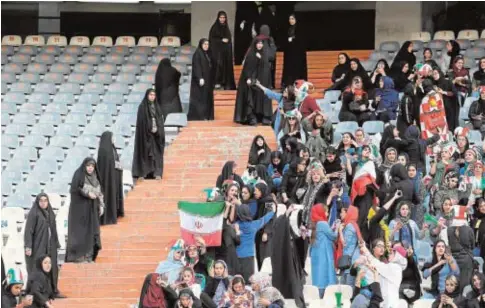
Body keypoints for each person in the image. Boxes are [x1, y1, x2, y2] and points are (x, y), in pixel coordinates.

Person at [24, 193, 63, 298]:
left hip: (51, 246)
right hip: (39, 245)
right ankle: (36, 291)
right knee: (38, 267)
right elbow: (28, 231)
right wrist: (28, 246)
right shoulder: (34, 213)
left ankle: (53, 291)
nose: (43, 202)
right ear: (37, 202)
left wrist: (57, 243)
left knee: (52, 267)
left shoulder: (51, 213)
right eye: (41, 200)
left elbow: (54, 230)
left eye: (45, 200)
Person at [65, 157, 103, 263]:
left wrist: (101, 205)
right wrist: (86, 194)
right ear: (84, 166)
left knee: (92, 232)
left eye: (92, 166)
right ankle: (79, 257)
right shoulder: (79, 175)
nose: (90, 168)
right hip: (80, 212)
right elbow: (74, 190)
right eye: (88, 166)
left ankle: (89, 257)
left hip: (92, 211)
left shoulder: (96, 178)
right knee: (81, 233)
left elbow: (100, 193)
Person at [233, 39, 273, 126]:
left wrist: (261, 58)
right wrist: (249, 78)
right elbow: (247, 68)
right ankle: (251, 117)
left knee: (262, 97)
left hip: (262, 81)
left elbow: (266, 67)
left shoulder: (264, 54)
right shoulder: (251, 54)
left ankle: (262, 117)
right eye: (258, 43)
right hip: (251, 80)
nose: (260, 45)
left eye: (261, 44)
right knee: (251, 97)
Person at [271, 213, 306, 308]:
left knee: (296, 285)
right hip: (285, 265)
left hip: (293, 262)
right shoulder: (277, 238)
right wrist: (286, 214)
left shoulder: (288, 230)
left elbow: (296, 241)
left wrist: (302, 237)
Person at [358, 242, 408, 308]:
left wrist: (366, 251)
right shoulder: (390, 268)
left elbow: (377, 264)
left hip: (390, 305)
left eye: (391, 253)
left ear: (398, 256)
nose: (388, 255)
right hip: (384, 304)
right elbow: (374, 277)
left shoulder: (395, 268)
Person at [132, 89, 165, 181]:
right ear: (147, 95)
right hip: (145, 136)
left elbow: (160, 121)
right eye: (150, 95)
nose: (152, 97)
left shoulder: (157, 107)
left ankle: (156, 173)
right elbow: (141, 122)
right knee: (144, 153)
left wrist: (158, 130)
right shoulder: (142, 107)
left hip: (155, 136)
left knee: (156, 154)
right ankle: (143, 173)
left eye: (154, 95)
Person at [310, 204, 337, 298]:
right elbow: (333, 236)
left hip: (316, 253)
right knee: (325, 275)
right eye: (326, 211)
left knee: (318, 275)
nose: (327, 213)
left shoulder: (316, 223)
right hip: (324, 253)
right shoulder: (323, 223)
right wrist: (338, 229)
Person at [97, 131, 124, 225]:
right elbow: (106, 165)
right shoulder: (104, 150)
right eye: (112, 137)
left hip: (114, 176)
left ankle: (115, 212)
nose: (113, 139)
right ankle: (108, 216)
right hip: (107, 178)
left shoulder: (112, 148)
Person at [188, 38, 215, 121]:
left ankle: (207, 115)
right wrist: (200, 78)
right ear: (201, 45)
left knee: (207, 98)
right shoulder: (197, 54)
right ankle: (200, 116)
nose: (206, 46)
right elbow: (197, 67)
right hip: (200, 81)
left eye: (207, 44)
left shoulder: (206, 54)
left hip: (207, 80)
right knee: (201, 98)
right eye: (204, 44)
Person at [209, 11, 236, 90]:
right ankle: (216, 82)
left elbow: (229, 40)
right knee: (217, 67)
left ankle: (225, 83)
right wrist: (221, 40)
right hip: (216, 54)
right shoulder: (214, 28)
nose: (222, 19)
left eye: (224, 17)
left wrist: (227, 42)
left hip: (225, 53)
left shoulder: (226, 28)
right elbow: (212, 39)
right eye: (221, 17)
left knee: (225, 67)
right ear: (218, 18)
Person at [281, 14, 307, 88]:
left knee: (297, 68)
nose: (291, 20)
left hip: (298, 53)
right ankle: (288, 83)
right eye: (290, 19)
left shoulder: (300, 28)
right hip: (289, 53)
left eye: (292, 19)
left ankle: (299, 83)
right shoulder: (288, 28)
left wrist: (293, 40)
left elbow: (301, 40)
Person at [432, 67, 460, 132]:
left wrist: (443, 92)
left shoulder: (448, 82)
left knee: (449, 127)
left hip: (449, 108)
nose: (434, 76)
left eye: (436, 73)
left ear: (440, 73)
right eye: (433, 74)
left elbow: (454, 93)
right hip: (438, 109)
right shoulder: (433, 84)